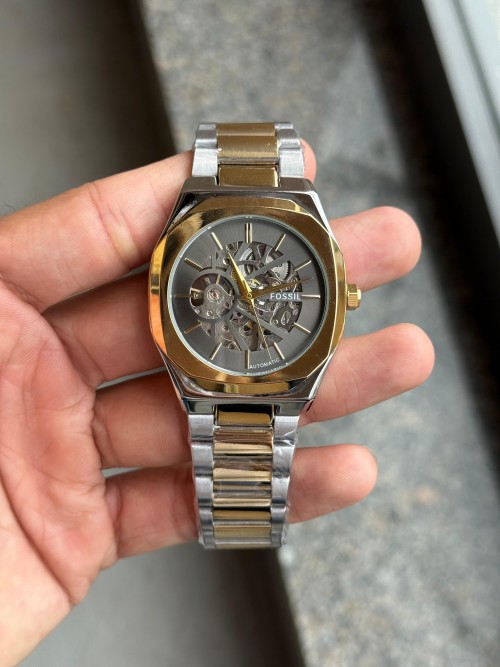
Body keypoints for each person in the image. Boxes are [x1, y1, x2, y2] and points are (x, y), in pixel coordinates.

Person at [0, 144, 434, 664]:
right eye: (244, 294)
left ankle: (242, 519)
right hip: (214, 365)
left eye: (256, 296)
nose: (249, 300)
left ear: (342, 297)